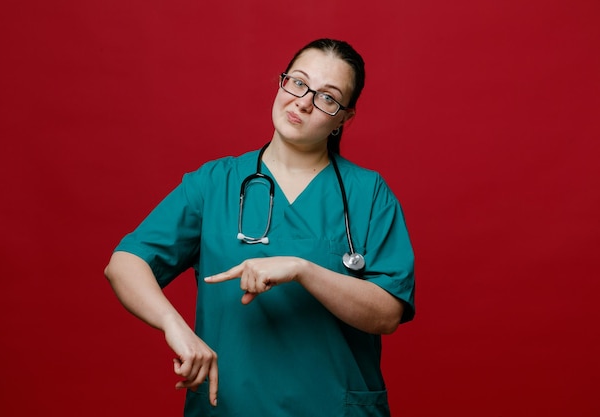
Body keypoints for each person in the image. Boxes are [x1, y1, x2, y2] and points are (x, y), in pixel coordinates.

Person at [105, 38, 415, 417]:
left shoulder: (369, 195)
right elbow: (124, 263)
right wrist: (176, 328)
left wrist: (302, 270)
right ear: (282, 84)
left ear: (344, 118)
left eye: (327, 98)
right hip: (232, 406)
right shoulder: (214, 183)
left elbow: (387, 314)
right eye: (298, 83)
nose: (303, 102)